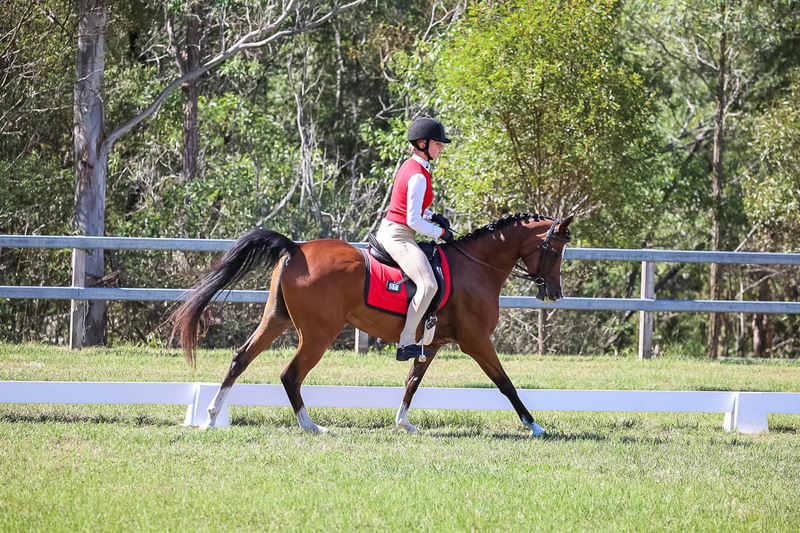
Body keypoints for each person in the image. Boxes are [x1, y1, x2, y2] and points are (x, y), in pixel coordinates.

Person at [376, 117, 454, 361]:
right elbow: (412, 221)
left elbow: (412, 207)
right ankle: (406, 342)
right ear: (422, 144)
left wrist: (433, 216)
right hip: (399, 235)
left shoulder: (413, 166)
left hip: (396, 229)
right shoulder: (418, 175)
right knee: (429, 285)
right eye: (438, 144)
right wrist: (441, 233)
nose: (441, 147)